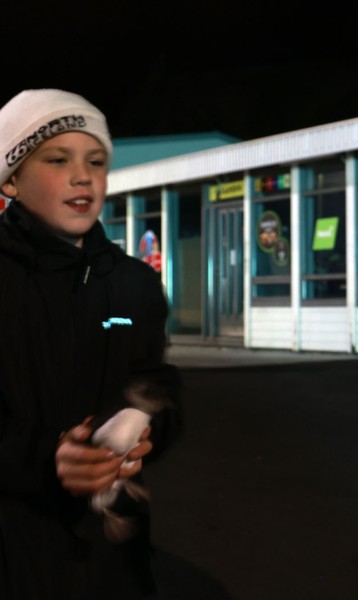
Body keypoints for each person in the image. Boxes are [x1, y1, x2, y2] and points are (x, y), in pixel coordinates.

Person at [0, 89, 182, 599]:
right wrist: (46, 460)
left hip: (114, 558)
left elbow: (160, 384)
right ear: (11, 179)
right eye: (58, 159)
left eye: (96, 161)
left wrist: (150, 431)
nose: (83, 175)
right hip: (15, 553)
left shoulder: (135, 284)